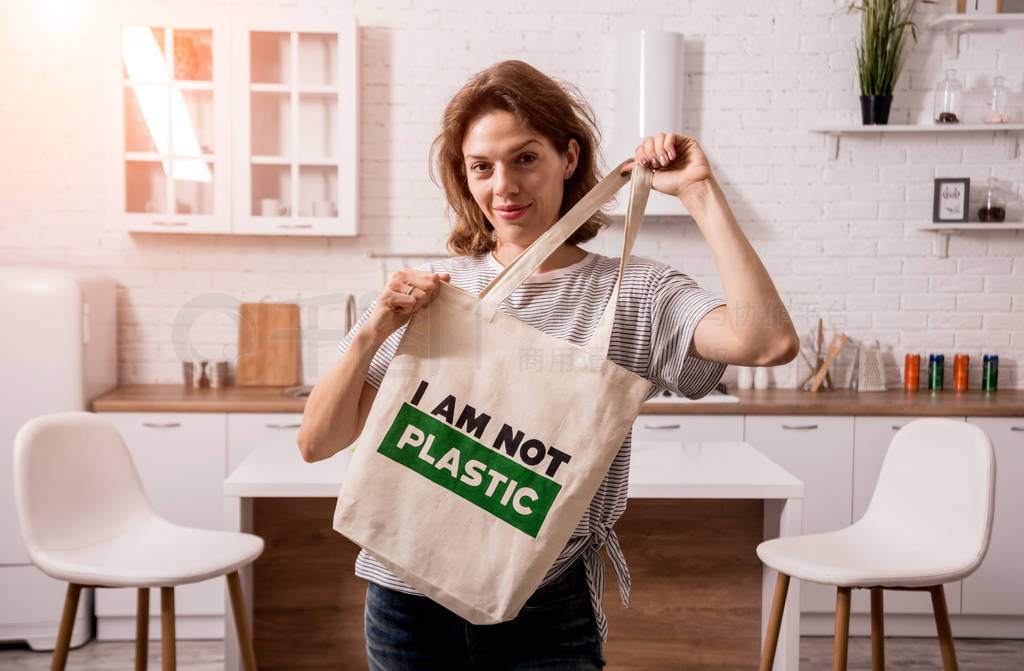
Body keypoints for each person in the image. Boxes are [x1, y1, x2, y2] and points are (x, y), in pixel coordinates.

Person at [298, 60, 799, 670]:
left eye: (525, 158)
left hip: (546, 608)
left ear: (568, 157)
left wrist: (698, 190)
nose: (503, 186)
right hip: (406, 604)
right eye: (481, 167)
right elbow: (317, 441)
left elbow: (767, 343)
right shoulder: (434, 290)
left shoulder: (636, 294)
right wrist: (374, 329)